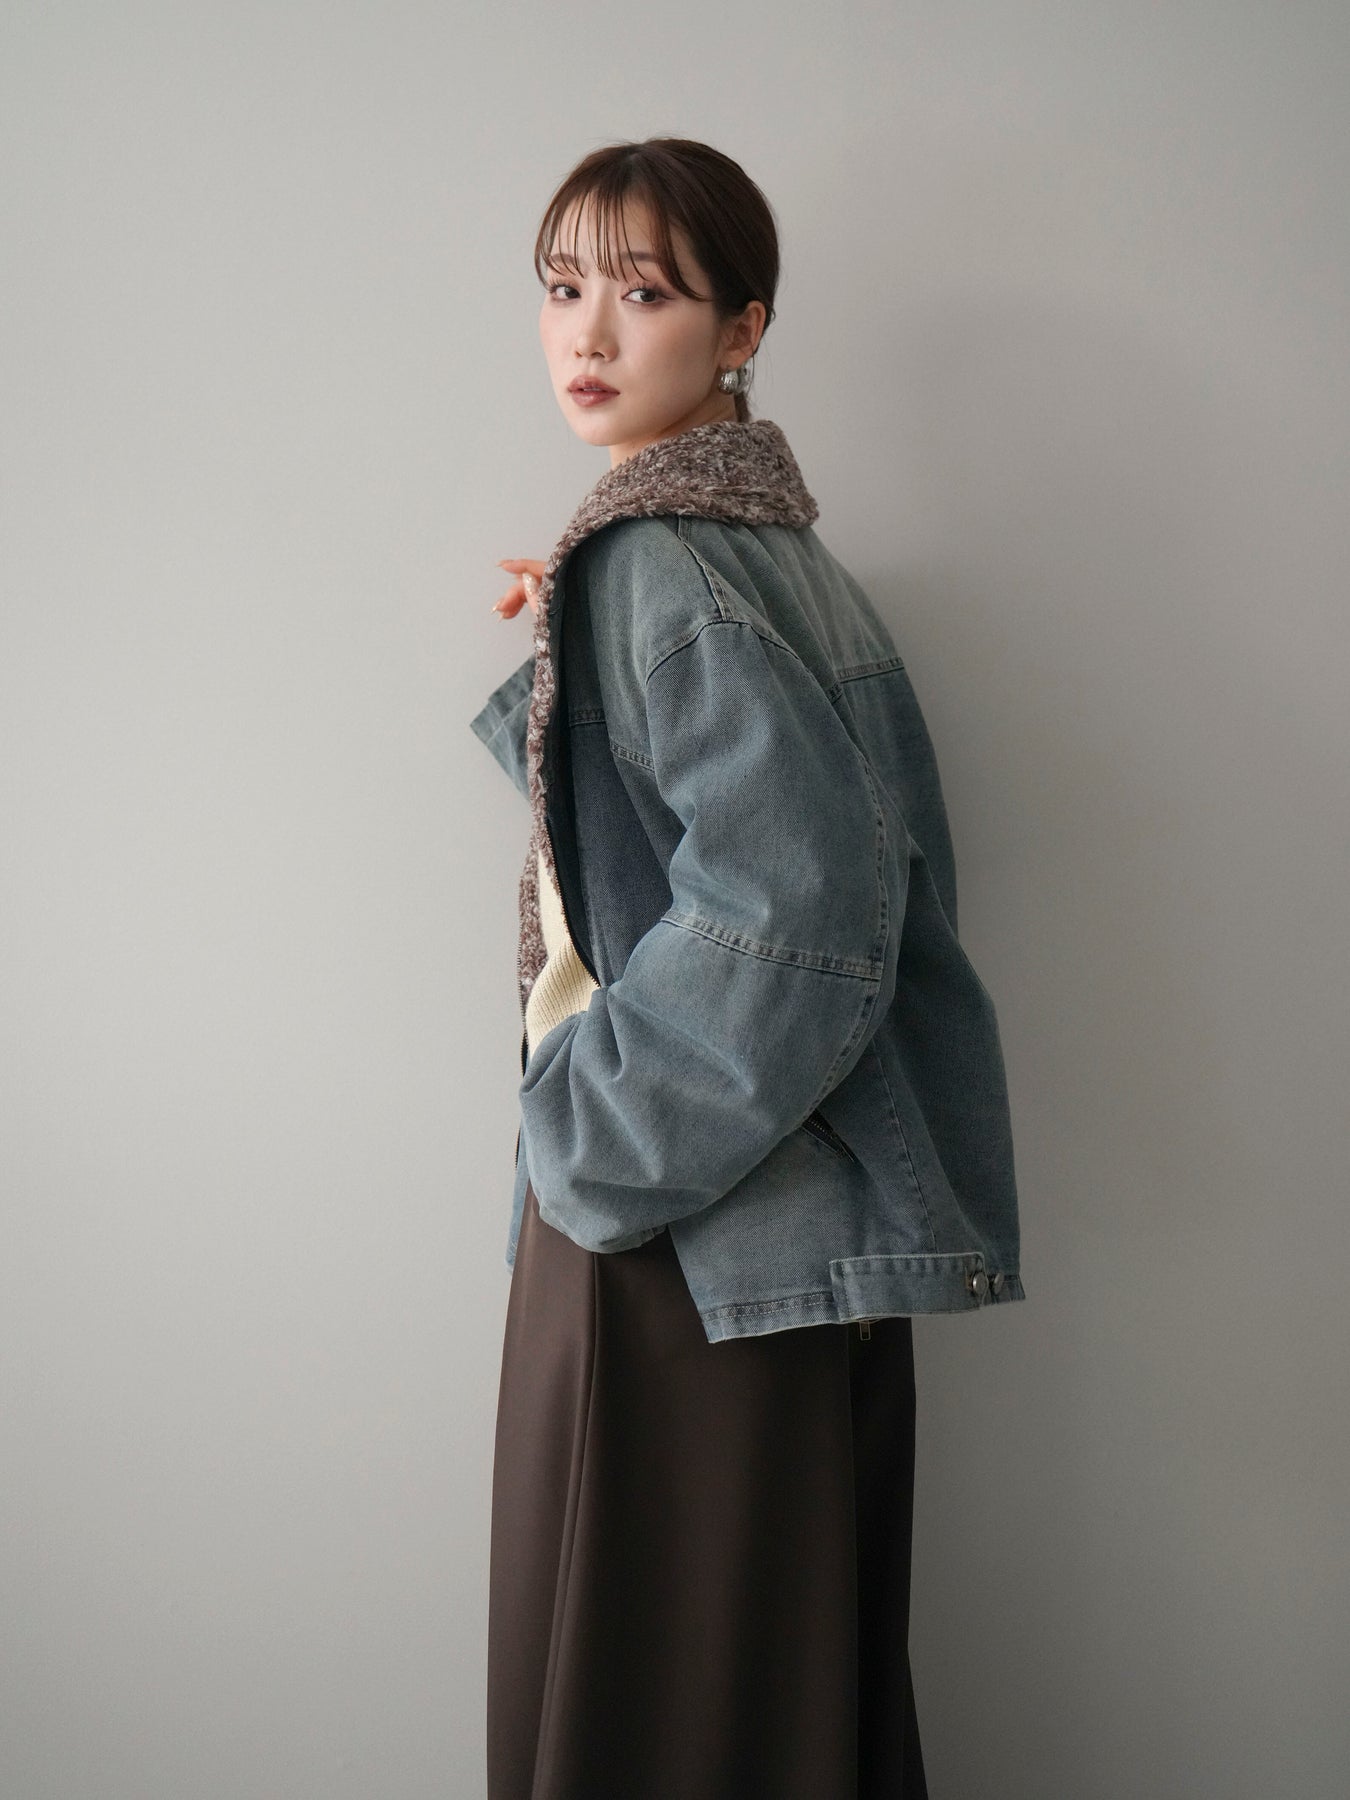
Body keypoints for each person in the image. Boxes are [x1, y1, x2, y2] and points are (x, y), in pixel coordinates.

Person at [470, 135, 1024, 1800]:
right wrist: (567, 652)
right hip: (775, 1237)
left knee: (651, 1728)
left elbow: (800, 910)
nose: (589, 333)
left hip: (674, 1234)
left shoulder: (660, 560)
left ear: (741, 330)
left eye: (643, 293)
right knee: (784, 1716)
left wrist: (591, 1142)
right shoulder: (769, 553)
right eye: (563, 288)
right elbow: (701, 851)